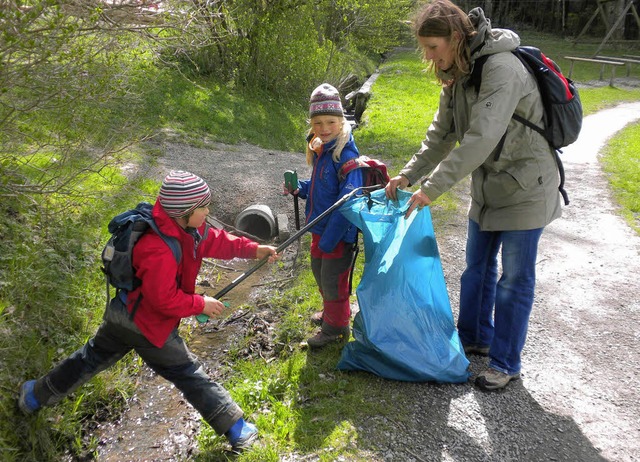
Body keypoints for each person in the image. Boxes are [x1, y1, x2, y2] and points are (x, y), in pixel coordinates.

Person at [18, 170, 279, 452]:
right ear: (185, 211)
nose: (208, 211)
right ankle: (238, 431)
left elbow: (217, 240)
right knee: (188, 373)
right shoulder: (157, 248)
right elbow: (163, 300)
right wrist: (200, 303)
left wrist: (254, 249)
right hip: (149, 327)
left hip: (122, 315)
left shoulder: (188, 228)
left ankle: (34, 396)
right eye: (203, 207)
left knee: (90, 358)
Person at [385, 0, 562, 391]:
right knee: (476, 270)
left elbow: (480, 138)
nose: (428, 56)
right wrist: (408, 175)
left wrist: (431, 189)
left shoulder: (501, 68)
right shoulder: (457, 70)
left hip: (526, 186)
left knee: (514, 280)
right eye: (425, 48)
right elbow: (442, 134)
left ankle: (505, 362)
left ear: (455, 38)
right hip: (487, 187)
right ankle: (475, 338)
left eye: (433, 47)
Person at [283, 83, 364, 349]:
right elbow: (322, 190)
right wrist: (300, 189)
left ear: (341, 121)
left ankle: (335, 329)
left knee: (333, 281)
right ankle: (333, 313)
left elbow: (347, 204)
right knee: (320, 275)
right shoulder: (322, 151)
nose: (324, 128)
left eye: (330, 121)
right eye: (317, 122)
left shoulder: (347, 157)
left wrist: (330, 240)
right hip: (320, 230)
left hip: (338, 235)